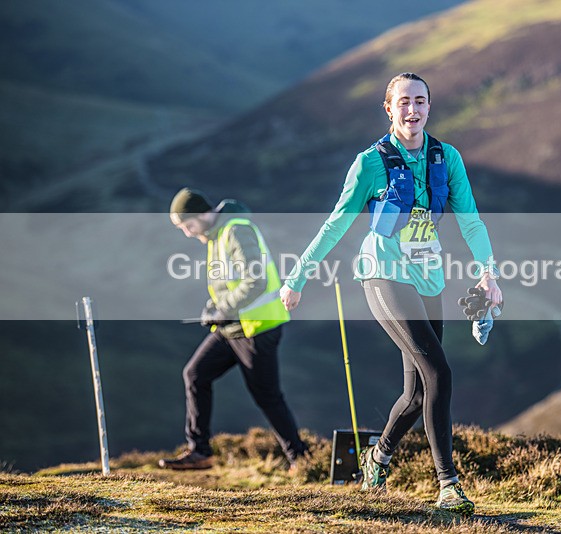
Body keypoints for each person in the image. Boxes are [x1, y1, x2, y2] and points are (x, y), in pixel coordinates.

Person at [280, 73, 502, 514]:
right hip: (383, 273)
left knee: (418, 393)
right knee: (439, 372)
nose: (412, 110)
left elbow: (471, 221)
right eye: (403, 102)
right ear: (388, 108)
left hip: (428, 278)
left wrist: (488, 274)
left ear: (429, 106)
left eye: (420, 101)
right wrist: (297, 278)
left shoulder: (447, 158)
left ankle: (377, 458)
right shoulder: (370, 163)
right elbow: (336, 223)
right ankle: (448, 486)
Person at [160, 187, 307, 470]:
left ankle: (299, 460)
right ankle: (200, 452)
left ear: (200, 214)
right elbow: (227, 283)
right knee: (195, 374)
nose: (187, 233)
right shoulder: (217, 235)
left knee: (267, 396)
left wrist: (222, 309)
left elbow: (255, 280)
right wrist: (213, 309)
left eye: (187, 225)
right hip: (233, 327)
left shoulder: (236, 231)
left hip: (257, 327)